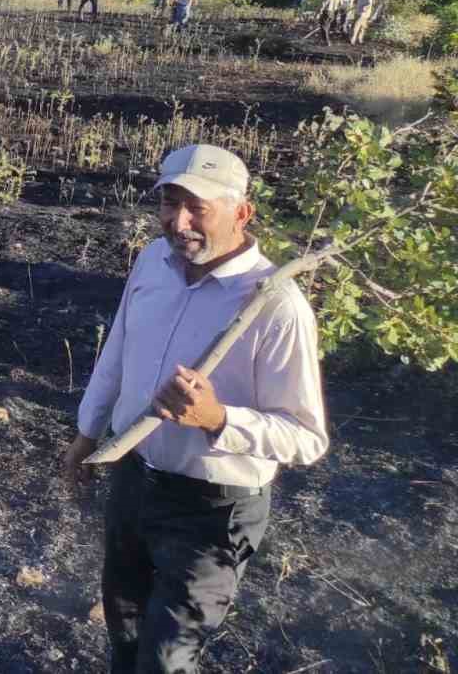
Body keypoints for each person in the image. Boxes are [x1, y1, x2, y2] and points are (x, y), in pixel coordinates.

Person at [61, 144, 327, 674]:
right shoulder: (152, 261)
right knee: (126, 633)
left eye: (197, 207)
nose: (178, 221)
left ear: (242, 213)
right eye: (168, 203)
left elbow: (306, 437)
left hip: (214, 509)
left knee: (167, 659)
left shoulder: (276, 305)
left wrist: (218, 419)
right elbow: (119, 347)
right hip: (135, 481)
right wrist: (88, 434)